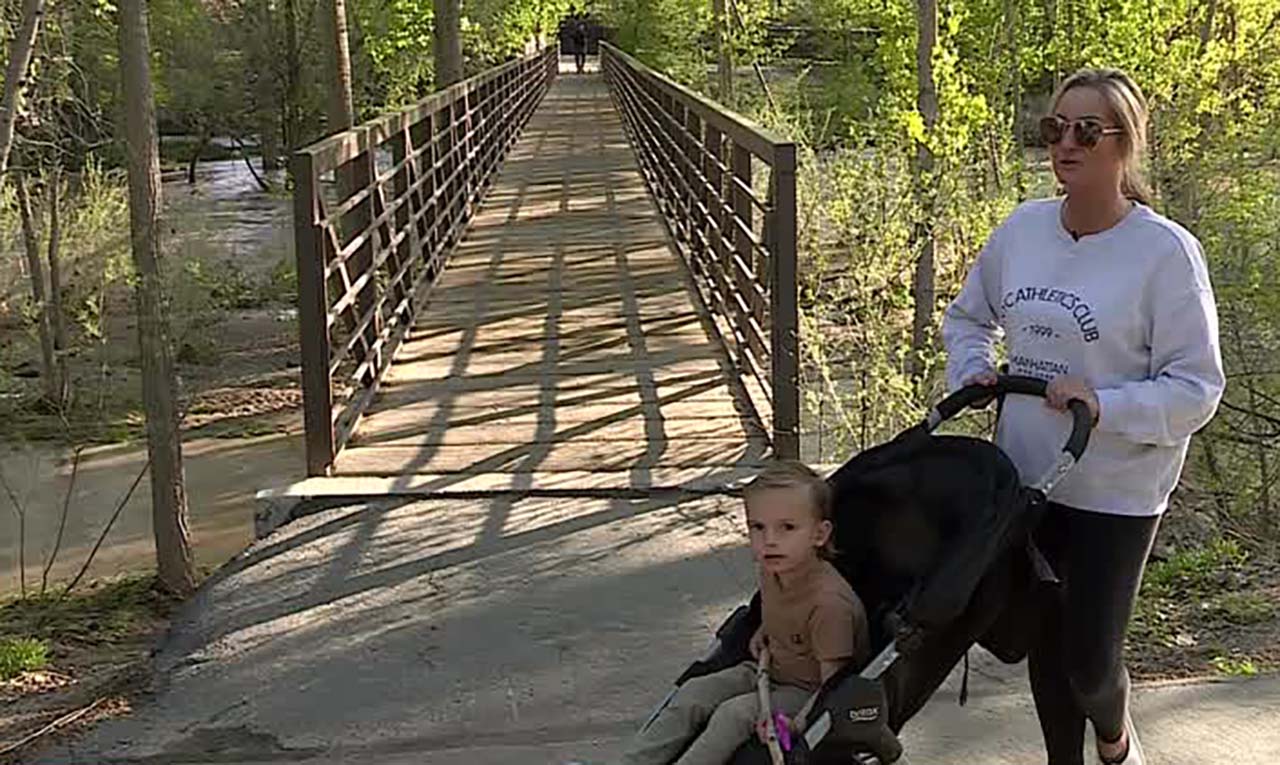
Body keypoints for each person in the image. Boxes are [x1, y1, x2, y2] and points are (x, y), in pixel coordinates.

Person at [941, 68, 1225, 765]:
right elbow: (968, 318)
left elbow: (1196, 388)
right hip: (1027, 476)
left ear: (1125, 144)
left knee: (1091, 662)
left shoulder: (1165, 253)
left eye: (1086, 130)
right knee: (1044, 641)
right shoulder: (1024, 229)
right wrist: (972, 368)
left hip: (1117, 490)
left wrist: (1107, 404)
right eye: (1054, 128)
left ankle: (1116, 740)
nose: (1065, 143)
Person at [619, 460, 869, 765]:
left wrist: (798, 725)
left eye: (787, 528)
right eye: (758, 527)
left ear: (819, 535)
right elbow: (783, 613)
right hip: (768, 669)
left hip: (806, 691)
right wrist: (766, 629)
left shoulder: (830, 605)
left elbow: (833, 686)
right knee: (695, 692)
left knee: (733, 715)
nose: (770, 540)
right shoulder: (773, 570)